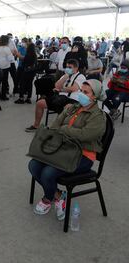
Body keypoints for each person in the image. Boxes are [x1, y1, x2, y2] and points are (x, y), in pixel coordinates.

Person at [29, 79, 106, 219]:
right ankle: (58, 195)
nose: (81, 94)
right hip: (63, 149)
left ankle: (48, 198)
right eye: (81, 91)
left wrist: (65, 129)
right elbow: (55, 125)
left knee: (47, 173)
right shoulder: (73, 107)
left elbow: (85, 135)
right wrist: (61, 128)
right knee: (33, 165)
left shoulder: (98, 117)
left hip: (83, 155)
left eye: (85, 92)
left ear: (94, 96)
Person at [25, 59, 86, 132]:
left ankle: (59, 129)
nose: (67, 69)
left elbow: (73, 88)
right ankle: (36, 126)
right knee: (40, 103)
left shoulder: (81, 77)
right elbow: (56, 85)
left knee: (67, 108)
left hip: (72, 100)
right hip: (60, 98)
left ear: (76, 68)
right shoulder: (65, 76)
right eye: (66, 67)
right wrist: (66, 76)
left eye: (70, 67)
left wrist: (61, 90)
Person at [0, 35, 14, 100]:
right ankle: (3, 96)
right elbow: (11, 59)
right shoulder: (6, 48)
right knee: (4, 82)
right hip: (5, 67)